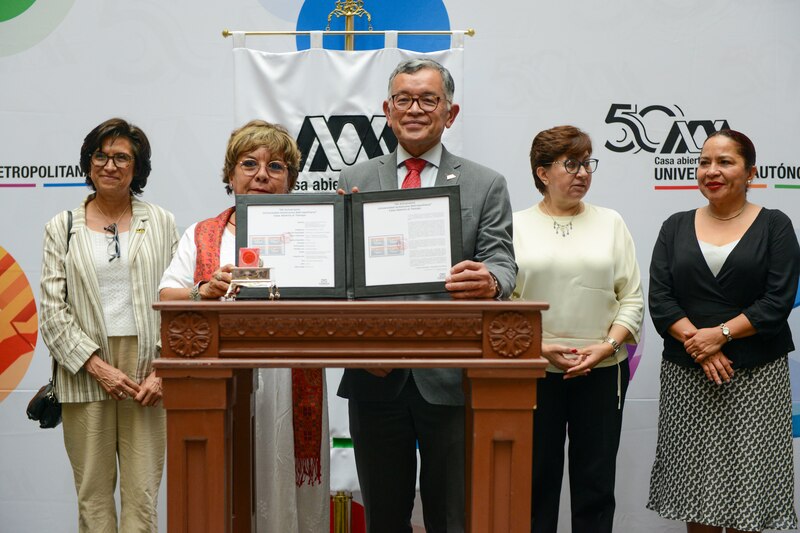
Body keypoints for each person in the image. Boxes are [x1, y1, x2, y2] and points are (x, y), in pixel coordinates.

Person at [336, 58, 517, 533]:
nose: (415, 109)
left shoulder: (485, 183)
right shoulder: (352, 180)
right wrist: (358, 345)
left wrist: (491, 281)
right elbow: (340, 279)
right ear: (387, 110)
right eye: (404, 99)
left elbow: (503, 261)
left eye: (428, 99)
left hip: (451, 373)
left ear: (449, 113)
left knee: (452, 517)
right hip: (374, 372)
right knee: (383, 515)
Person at [158, 119, 329, 533]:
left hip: (292, 372)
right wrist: (204, 290)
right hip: (224, 375)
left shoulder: (314, 228)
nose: (261, 176)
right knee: (227, 482)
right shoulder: (203, 234)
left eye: (276, 167)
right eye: (249, 164)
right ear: (230, 173)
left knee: (289, 488)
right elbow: (167, 296)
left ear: (291, 178)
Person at [647, 129, 799, 532]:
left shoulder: (775, 226)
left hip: (756, 378)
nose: (711, 171)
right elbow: (661, 300)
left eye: (725, 162)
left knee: (747, 495)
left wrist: (722, 335)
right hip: (688, 375)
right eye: (703, 162)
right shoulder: (675, 226)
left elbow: (777, 301)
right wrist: (703, 344)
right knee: (697, 495)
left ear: (751, 172)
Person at [39, 118, 178, 532]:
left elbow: (178, 300)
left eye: (122, 157)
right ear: (88, 162)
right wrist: (96, 366)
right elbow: (51, 311)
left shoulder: (163, 222)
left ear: (138, 168)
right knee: (93, 500)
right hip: (85, 370)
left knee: (143, 499)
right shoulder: (61, 227)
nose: (110, 165)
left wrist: (164, 370)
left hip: (147, 372)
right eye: (101, 155)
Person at [512, 125, 643, 532]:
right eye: (571, 164)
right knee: (534, 488)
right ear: (542, 173)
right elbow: (504, 304)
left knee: (595, 488)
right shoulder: (513, 224)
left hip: (602, 371)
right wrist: (540, 345)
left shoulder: (612, 222)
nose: (583, 173)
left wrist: (606, 347)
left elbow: (633, 299)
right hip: (535, 371)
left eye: (588, 163)